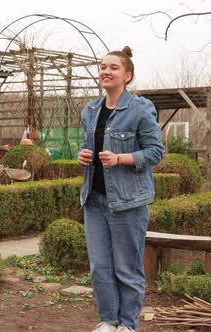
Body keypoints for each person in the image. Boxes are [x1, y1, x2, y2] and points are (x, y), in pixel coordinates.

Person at [77, 46, 164, 332]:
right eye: (102, 66)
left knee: (126, 268)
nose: (106, 71)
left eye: (113, 67)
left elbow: (155, 152)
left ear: (127, 75)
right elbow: (86, 147)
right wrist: (82, 155)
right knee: (100, 268)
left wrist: (120, 159)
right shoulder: (90, 110)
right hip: (95, 200)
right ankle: (108, 321)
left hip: (128, 202)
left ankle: (127, 324)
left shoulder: (140, 109)